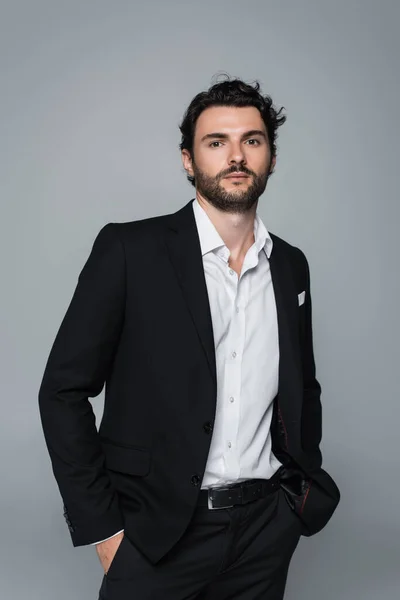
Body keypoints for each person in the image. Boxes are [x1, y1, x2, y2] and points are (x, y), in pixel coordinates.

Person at [38, 76, 340, 600]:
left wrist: (295, 501)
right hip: (156, 535)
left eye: (252, 140)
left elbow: (301, 388)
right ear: (187, 159)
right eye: (216, 142)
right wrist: (104, 530)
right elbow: (62, 392)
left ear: (270, 156)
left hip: (265, 530)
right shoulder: (129, 251)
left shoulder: (291, 267)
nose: (237, 156)